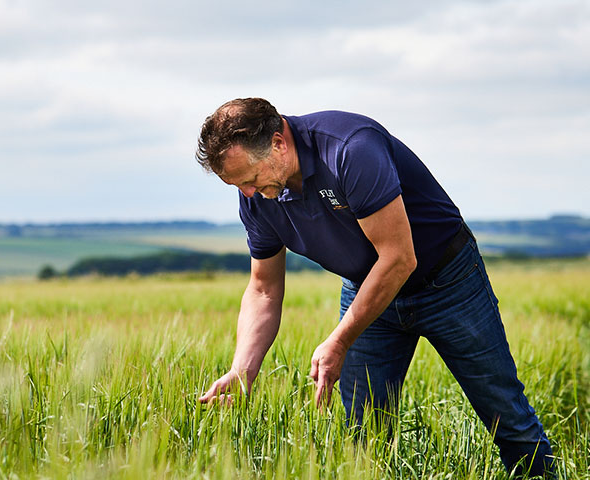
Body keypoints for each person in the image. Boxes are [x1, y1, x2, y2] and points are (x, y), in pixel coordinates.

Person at [195, 97, 555, 477]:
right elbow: (264, 289)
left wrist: (339, 339)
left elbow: (399, 258)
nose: (248, 193)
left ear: (279, 143)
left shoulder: (351, 149)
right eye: (237, 186)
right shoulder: (257, 199)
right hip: (367, 293)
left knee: (506, 416)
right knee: (362, 440)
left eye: (250, 179)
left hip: (449, 284)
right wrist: (243, 368)